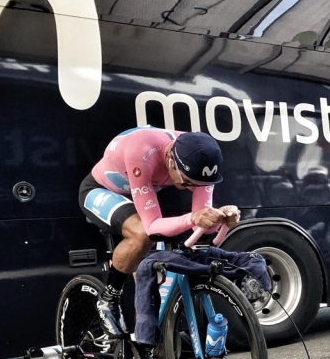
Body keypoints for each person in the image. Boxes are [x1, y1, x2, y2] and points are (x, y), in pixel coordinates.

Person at [79, 127, 237, 337]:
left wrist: (219, 218)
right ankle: (109, 298)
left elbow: (201, 222)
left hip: (144, 191)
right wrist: (193, 217)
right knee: (142, 235)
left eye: (198, 184)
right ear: (171, 161)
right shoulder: (142, 150)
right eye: (187, 183)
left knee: (149, 287)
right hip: (102, 189)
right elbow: (153, 227)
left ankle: (145, 346)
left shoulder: (198, 160)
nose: (193, 187)